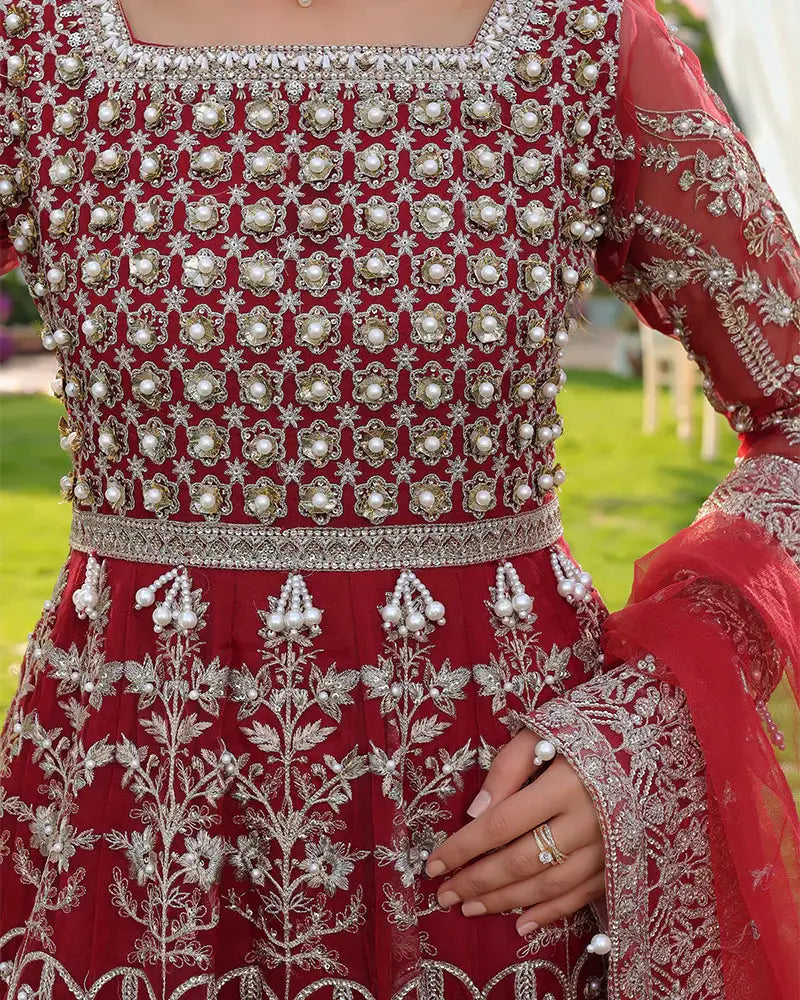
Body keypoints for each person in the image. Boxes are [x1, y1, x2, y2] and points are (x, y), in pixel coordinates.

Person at [0, 0, 798, 997]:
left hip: (492, 847)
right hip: (121, 840)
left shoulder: (580, 38)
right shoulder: (32, 45)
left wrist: (646, 730)